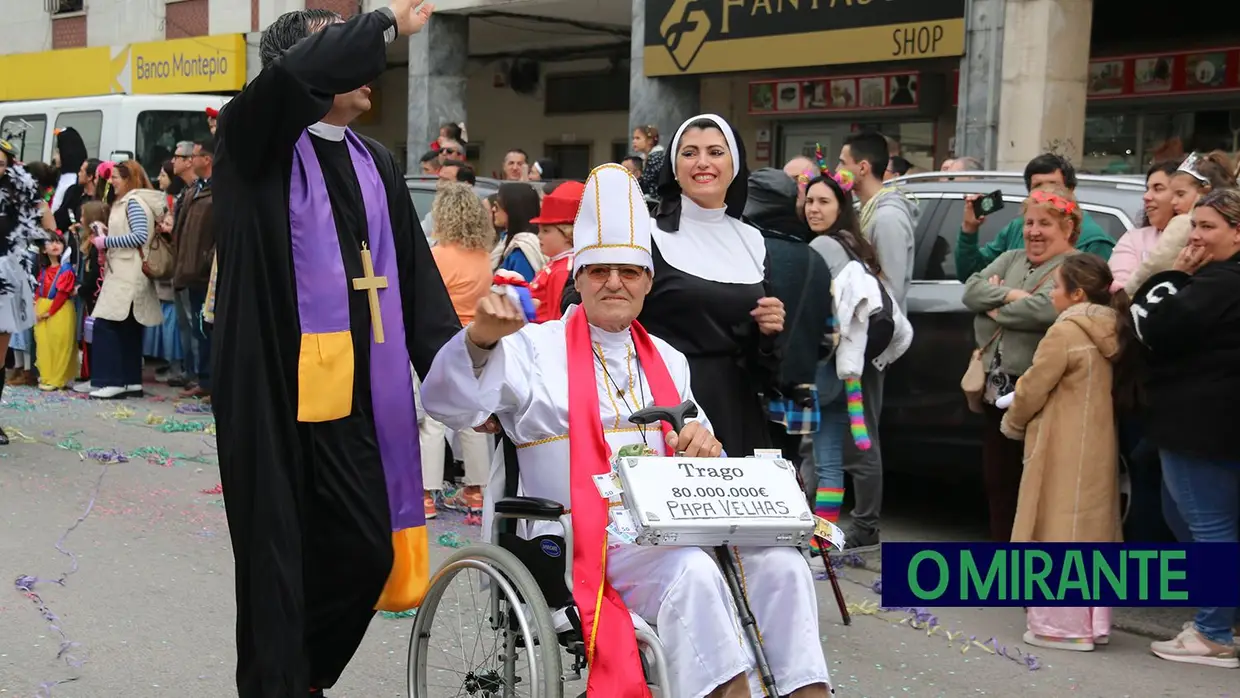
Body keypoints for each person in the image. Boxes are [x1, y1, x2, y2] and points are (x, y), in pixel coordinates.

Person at [420, 163, 831, 698]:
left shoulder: (669, 359)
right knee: (693, 574)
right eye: (599, 270)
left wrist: (705, 447)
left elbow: (701, 450)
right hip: (570, 535)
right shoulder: (533, 348)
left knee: (782, 565)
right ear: (577, 277)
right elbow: (447, 406)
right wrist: (479, 341)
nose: (614, 282)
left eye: (630, 272)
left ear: (648, 283)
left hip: (670, 526)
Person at [209, 4, 460, 697]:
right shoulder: (253, 140)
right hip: (271, 388)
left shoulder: (375, 162)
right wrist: (382, 24)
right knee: (275, 563)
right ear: (303, 72)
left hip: (355, 395)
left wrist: (470, 379)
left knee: (362, 550)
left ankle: (304, 678)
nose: (363, 67)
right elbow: (298, 75)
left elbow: (415, 285)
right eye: (338, 52)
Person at [560, 114, 786, 460]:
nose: (703, 163)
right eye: (690, 152)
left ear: (735, 164)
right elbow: (578, 300)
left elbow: (758, 358)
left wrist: (769, 333)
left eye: (715, 151)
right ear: (674, 167)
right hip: (658, 403)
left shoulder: (753, 240)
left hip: (734, 407)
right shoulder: (645, 235)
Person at [1132, 188, 1240, 669]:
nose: (1195, 236)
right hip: (1205, 420)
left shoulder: (1219, 282)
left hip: (1201, 422)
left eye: (1208, 227)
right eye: (1193, 225)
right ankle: (1220, 621)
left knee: (1208, 525)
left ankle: (1215, 633)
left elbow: (1157, 327)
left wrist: (1181, 274)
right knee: (1194, 519)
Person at [1000, 254, 1125, 652]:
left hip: (1061, 442)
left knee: (1056, 528)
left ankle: (1062, 626)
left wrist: (1014, 421)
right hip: (1098, 442)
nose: (1051, 294)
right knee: (1089, 531)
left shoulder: (1065, 332)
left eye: (1056, 287)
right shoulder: (1113, 329)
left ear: (1077, 294)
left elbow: (1034, 386)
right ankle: (1094, 621)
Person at [962, 186, 1081, 542]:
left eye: (1045, 223)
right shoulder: (1012, 258)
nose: (1034, 231)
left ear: (1068, 229)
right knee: (999, 482)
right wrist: (1012, 296)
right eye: (1029, 222)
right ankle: (1006, 560)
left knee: (1037, 485)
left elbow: (1045, 309)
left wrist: (995, 306)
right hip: (994, 391)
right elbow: (970, 290)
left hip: (1039, 395)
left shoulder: (1074, 267)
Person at [804, 168, 912, 541]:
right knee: (847, 445)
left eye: (823, 202)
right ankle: (832, 530)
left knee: (824, 452)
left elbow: (813, 307)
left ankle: (842, 527)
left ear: (841, 206)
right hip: (856, 361)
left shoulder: (823, 247)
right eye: (809, 200)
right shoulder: (854, 242)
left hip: (832, 363)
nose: (813, 209)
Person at [834, 132, 917, 546]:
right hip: (857, 340)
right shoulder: (869, 210)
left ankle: (866, 522)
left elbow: (889, 292)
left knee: (862, 428)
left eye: (843, 161)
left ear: (862, 168)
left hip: (869, 341)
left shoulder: (885, 216)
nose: (837, 170)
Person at [422, 181, 496, 518]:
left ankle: (425, 493)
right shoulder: (484, 258)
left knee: (431, 421)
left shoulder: (437, 256)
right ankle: (476, 490)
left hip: (440, 338)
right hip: (475, 338)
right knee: (472, 416)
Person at [956, 154, 1115, 282]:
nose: (1046, 192)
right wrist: (969, 230)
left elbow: (1092, 299)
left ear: (1071, 190)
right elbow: (971, 275)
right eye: (1038, 186)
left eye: (1054, 185)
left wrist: (1004, 301)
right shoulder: (1017, 228)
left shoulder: (1095, 241)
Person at [86, 159, 165, 399]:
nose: (111, 181)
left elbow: (139, 235)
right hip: (124, 272)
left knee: (106, 325)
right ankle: (130, 380)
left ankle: (111, 380)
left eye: (116, 178)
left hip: (127, 274)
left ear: (128, 179)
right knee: (128, 328)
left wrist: (105, 242)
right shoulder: (130, 203)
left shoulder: (133, 203)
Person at [1123, 150, 1237, 295]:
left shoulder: (1182, 222)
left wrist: (1128, 291)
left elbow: (1155, 265)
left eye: (1180, 194)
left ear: (1205, 192)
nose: (1173, 201)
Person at [0, 139, 45, 444]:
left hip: (6, 272)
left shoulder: (20, 193)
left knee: (0, 351)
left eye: (2, 161)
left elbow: (43, 222)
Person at [527, 180, 584, 323]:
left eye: (546, 231)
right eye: (539, 230)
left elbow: (556, 319)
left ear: (568, 234)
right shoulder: (558, 264)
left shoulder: (563, 271)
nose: (539, 236)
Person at [32, 231, 78, 390]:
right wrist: (35, 305)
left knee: (60, 343)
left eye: (58, 242)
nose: (55, 245)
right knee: (45, 343)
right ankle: (48, 375)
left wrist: (49, 312)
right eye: (51, 242)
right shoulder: (43, 269)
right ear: (44, 249)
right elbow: (39, 289)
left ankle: (58, 378)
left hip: (59, 310)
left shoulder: (66, 270)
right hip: (43, 308)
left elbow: (62, 294)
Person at [491, 181, 545, 281]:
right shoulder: (505, 238)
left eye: (497, 206)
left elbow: (520, 293)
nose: (493, 209)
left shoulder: (523, 251)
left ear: (512, 209)